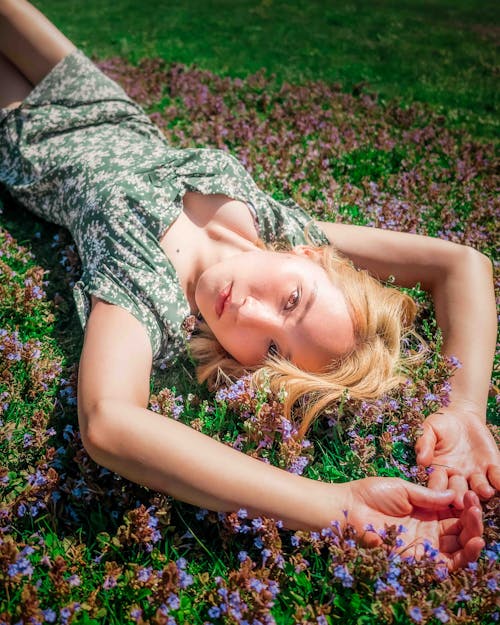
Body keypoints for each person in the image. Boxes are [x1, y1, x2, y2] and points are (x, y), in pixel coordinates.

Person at [0, 0, 497, 570]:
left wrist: (335, 502)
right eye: (292, 300)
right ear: (310, 256)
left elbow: (110, 421)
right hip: (107, 105)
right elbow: (461, 264)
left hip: (24, 136)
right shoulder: (281, 227)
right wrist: (464, 410)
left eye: (272, 350)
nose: (251, 315)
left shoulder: (146, 288)